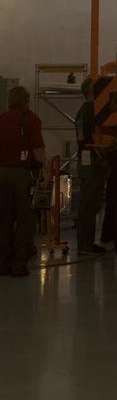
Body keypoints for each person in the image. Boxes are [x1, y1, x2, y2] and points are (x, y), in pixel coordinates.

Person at [0, 86, 45, 277]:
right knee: (25, 220)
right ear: (26, 100)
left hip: (1, 174)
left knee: (4, 221)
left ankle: (2, 265)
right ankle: (19, 266)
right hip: (21, 175)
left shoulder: (1, 119)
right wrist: (43, 174)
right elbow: (38, 151)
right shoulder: (31, 120)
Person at [75, 78, 106, 254]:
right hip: (91, 160)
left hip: (86, 160)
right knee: (89, 203)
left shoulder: (83, 110)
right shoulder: (91, 110)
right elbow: (92, 138)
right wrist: (101, 157)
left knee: (91, 203)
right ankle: (85, 244)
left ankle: (87, 242)